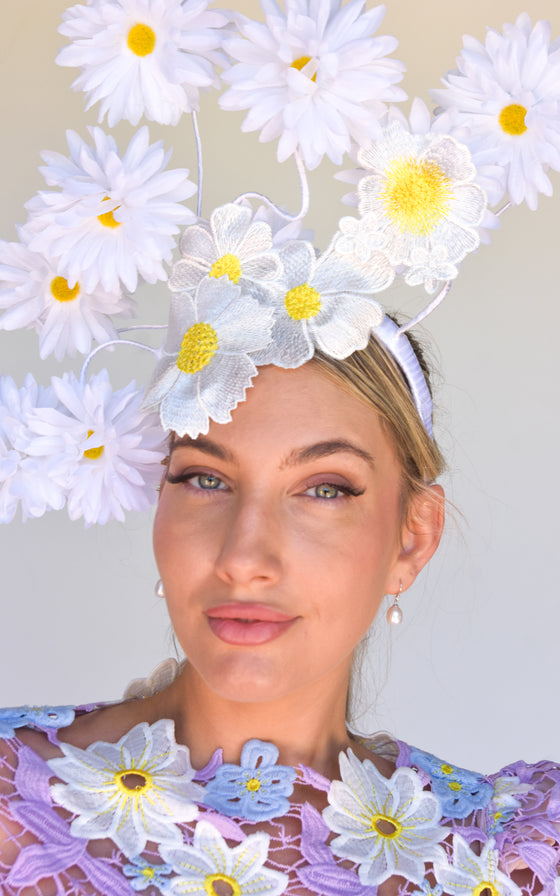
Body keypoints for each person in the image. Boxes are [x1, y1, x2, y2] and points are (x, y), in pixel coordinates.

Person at [1, 1, 560, 893]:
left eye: (325, 488)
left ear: (412, 536)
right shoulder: (10, 796)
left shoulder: (507, 857)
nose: (245, 556)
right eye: (204, 479)